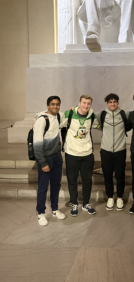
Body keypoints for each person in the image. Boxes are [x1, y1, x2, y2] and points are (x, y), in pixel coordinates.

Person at [60, 95, 100, 217]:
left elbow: (98, 125)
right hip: (71, 153)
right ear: (79, 103)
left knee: (87, 180)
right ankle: (74, 203)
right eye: (84, 103)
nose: (86, 106)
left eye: (88, 103)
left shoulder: (92, 116)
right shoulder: (69, 113)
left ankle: (86, 204)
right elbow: (59, 125)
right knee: (72, 180)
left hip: (87, 153)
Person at [33, 96, 65, 226]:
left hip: (57, 157)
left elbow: (68, 116)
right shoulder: (42, 120)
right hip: (45, 158)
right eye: (52, 104)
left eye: (57, 104)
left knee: (56, 185)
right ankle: (41, 213)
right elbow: (37, 144)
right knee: (43, 187)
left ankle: (55, 209)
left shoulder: (58, 117)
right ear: (47, 106)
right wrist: (42, 162)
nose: (55, 106)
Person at [98, 93, 128, 211]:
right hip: (106, 150)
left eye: (114, 101)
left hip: (120, 150)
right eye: (110, 102)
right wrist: (74, 108)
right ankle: (110, 197)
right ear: (107, 103)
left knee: (120, 175)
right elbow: (86, 113)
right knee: (107, 175)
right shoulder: (102, 114)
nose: (112, 104)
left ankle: (119, 198)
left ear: (118, 103)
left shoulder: (124, 113)